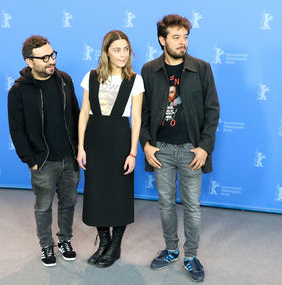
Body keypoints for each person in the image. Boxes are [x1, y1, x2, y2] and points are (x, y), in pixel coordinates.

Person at [140, 15, 220, 282]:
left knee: (192, 207)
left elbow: (212, 110)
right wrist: (146, 145)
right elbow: (143, 111)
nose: (182, 42)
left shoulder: (202, 68)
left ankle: (190, 255)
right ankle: (171, 249)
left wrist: (204, 147)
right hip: (160, 149)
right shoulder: (149, 70)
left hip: (191, 151)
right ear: (162, 40)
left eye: (185, 37)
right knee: (165, 205)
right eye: (176, 37)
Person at [8, 35, 80, 267]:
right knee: (43, 206)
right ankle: (46, 245)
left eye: (53, 55)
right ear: (30, 62)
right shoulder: (18, 92)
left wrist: (79, 148)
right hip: (43, 161)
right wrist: (31, 161)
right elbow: (16, 131)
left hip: (70, 158)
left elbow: (76, 115)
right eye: (45, 57)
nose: (52, 61)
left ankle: (65, 240)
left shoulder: (64, 80)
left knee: (68, 203)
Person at [77, 30, 144, 268]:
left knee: (119, 195)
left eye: (126, 49)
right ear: (106, 52)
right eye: (117, 49)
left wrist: (133, 152)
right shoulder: (91, 77)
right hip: (94, 140)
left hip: (120, 140)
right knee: (96, 194)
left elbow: (136, 119)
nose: (123, 54)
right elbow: (84, 113)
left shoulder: (135, 80)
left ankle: (115, 246)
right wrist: (81, 147)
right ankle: (103, 242)